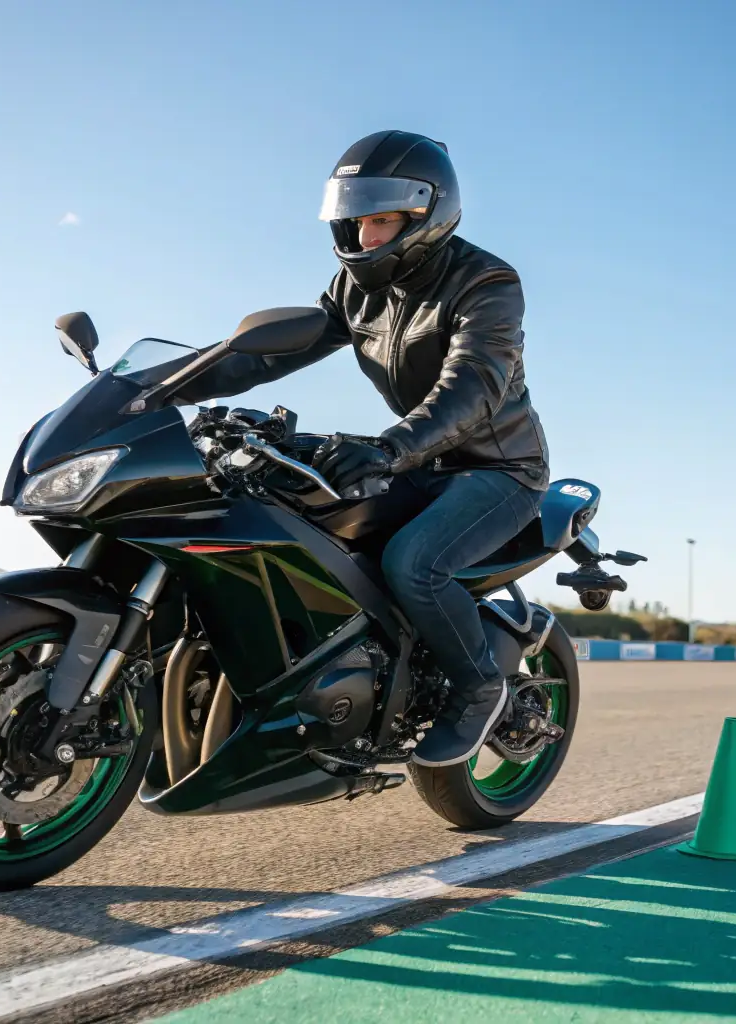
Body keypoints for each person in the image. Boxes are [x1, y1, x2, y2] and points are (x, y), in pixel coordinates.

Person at [174, 130, 550, 767]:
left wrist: (390, 447)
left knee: (413, 564)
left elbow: (473, 386)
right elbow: (269, 354)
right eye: (358, 219)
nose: (367, 236)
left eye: (383, 220)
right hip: (418, 461)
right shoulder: (355, 288)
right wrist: (159, 387)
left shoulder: (487, 280)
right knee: (292, 509)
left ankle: (479, 686)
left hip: (498, 469)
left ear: (426, 213)